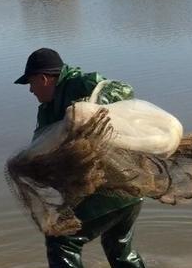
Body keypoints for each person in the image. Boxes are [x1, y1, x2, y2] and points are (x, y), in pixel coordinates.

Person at [14, 47, 146, 268]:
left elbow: (124, 90)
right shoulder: (46, 111)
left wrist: (87, 108)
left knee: (61, 239)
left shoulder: (80, 83)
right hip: (130, 191)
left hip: (112, 188)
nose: (31, 90)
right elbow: (42, 146)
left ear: (44, 79)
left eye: (31, 83)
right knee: (119, 247)